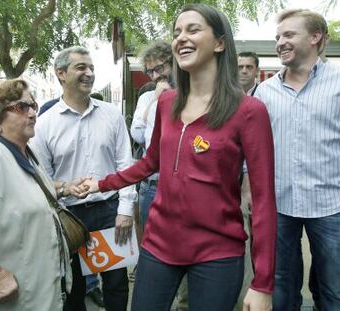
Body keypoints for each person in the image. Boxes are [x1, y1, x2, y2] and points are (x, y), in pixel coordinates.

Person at [79, 4, 276, 311]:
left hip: (218, 252)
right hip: (159, 244)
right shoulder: (167, 102)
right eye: (177, 32)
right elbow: (150, 162)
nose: (181, 38)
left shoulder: (249, 111)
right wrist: (102, 183)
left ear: (220, 43)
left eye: (193, 29)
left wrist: (262, 282)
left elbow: (263, 201)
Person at [254, 9, 340, 311]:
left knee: (334, 289)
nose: (280, 42)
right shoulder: (264, 92)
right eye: (278, 37)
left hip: (333, 206)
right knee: (281, 286)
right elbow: (253, 151)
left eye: (289, 35)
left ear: (315, 36)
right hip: (279, 204)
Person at [30, 46, 136, 311]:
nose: (89, 73)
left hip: (110, 212)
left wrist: (125, 210)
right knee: (74, 288)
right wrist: (64, 192)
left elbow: (125, 165)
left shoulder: (111, 115)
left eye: (91, 68)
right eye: (81, 68)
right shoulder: (44, 124)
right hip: (70, 218)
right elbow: (43, 180)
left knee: (116, 285)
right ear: (61, 74)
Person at [0, 79, 74, 310]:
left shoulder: (25, 152)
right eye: (23, 107)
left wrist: (65, 188)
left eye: (34, 105)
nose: (33, 113)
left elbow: (28, 195)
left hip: (46, 291)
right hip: (18, 300)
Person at [130, 41, 173, 230]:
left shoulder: (191, 95)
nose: (155, 76)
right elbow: (138, 134)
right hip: (152, 185)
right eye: (150, 71)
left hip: (182, 185)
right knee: (150, 246)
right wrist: (157, 100)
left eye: (160, 68)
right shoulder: (147, 98)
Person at [235, 51, 259, 311]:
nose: (243, 71)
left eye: (248, 67)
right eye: (239, 66)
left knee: (260, 237)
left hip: (257, 179)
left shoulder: (264, 97)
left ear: (256, 70)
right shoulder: (228, 98)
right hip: (233, 181)